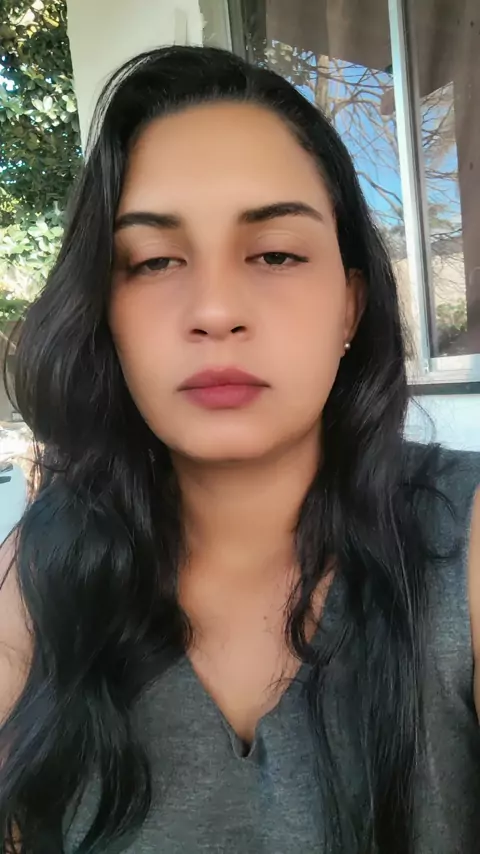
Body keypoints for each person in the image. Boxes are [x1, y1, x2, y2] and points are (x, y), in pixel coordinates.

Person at [0, 45, 479, 854]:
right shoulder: (43, 570)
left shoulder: (465, 543)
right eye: (153, 261)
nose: (216, 309)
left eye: (276, 253)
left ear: (351, 306)